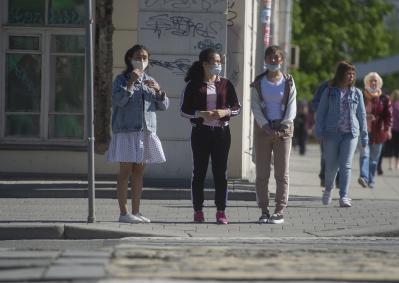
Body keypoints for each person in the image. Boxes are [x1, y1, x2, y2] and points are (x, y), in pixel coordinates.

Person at [106, 44, 169, 223]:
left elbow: (163, 106)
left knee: (139, 172)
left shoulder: (150, 80)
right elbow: (118, 101)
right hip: (126, 130)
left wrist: (158, 90)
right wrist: (130, 82)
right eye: (137, 57)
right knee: (125, 171)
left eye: (144, 58)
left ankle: (136, 211)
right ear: (129, 59)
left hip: (145, 131)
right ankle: (124, 213)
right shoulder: (121, 79)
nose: (141, 61)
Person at [180, 48, 241, 224]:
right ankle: (198, 210)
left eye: (220, 62)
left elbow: (237, 107)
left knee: (220, 172)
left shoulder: (226, 84)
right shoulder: (193, 84)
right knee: (199, 171)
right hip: (200, 133)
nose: (218, 65)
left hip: (221, 133)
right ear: (205, 64)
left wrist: (225, 111)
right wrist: (200, 113)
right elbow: (183, 110)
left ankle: (221, 211)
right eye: (215, 62)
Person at [250, 45, 297, 224]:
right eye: (271, 57)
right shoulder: (258, 82)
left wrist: (284, 126)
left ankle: (279, 210)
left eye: (277, 57)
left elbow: (292, 107)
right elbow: (255, 105)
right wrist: (264, 125)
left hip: (283, 131)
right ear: (265, 60)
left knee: (281, 173)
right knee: (262, 173)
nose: (274, 60)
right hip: (263, 129)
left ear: (282, 60)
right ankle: (263, 210)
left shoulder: (288, 81)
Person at [315, 61, 368, 207]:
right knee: (331, 166)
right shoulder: (330, 91)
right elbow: (321, 112)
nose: (351, 76)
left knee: (346, 165)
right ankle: (328, 190)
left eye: (353, 74)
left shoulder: (357, 93)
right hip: (331, 133)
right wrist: (318, 131)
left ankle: (344, 196)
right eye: (348, 73)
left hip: (351, 134)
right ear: (341, 74)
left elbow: (362, 115)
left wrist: (364, 136)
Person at [357, 72, 392, 189]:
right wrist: (365, 116)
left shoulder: (384, 98)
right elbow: (355, 111)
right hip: (364, 131)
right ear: (367, 82)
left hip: (379, 132)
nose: (373, 82)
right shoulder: (361, 95)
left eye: (375, 81)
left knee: (374, 159)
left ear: (379, 83)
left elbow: (389, 116)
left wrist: (387, 129)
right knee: (364, 154)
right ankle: (364, 177)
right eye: (371, 80)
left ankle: (371, 179)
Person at [312, 80, 340, 188]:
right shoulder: (326, 85)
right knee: (326, 154)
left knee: (342, 155)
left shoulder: (350, 88)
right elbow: (315, 103)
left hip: (344, 128)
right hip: (326, 127)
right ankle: (324, 176)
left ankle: (339, 179)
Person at [383, 89, 399, 171]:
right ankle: (397, 163)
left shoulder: (390, 105)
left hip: (390, 129)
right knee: (398, 147)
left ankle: (390, 164)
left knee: (390, 146)